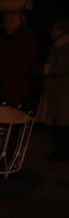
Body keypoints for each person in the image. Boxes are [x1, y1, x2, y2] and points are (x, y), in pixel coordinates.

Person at [0, 10, 39, 109]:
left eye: (12, 20)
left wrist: (13, 75)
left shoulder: (27, 40)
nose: (8, 23)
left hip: (17, 86)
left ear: (20, 22)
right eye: (6, 20)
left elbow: (30, 61)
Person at [37, 17, 69, 160]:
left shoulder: (64, 46)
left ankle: (63, 152)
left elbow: (62, 67)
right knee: (59, 120)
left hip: (63, 89)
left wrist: (46, 69)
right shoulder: (59, 45)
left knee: (62, 121)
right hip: (58, 88)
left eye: (54, 29)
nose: (51, 32)